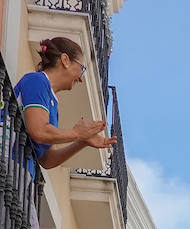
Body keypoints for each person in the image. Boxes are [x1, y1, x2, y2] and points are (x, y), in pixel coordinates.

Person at [13, 37, 115, 170]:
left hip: (18, 175)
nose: (81, 78)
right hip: (4, 162)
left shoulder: (53, 103)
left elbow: (47, 160)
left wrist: (82, 141)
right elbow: (38, 131)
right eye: (82, 69)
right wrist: (77, 133)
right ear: (65, 60)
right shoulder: (37, 81)